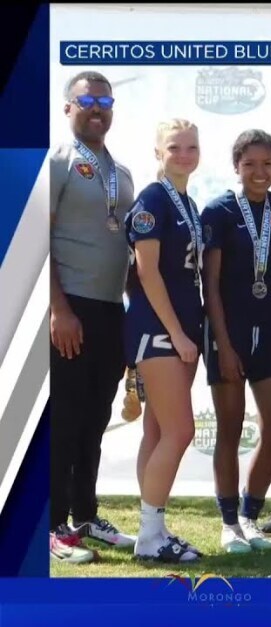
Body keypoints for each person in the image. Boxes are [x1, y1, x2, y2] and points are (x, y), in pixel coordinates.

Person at [49, 71, 137, 564]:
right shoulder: (58, 161)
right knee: (63, 421)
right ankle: (52, 524)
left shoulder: (121, 172)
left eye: (105, 101)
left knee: (93, 420)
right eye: (87, 101)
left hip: (109, 311)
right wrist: (58, 308)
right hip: (70, 308)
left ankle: (85, 515)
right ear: (68, 108)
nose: (97, 109)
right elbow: (34, 242)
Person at [199, 129, 271, 553]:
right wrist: (224, 344)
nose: (260, 172)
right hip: (229, 333)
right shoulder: (219, 210)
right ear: (236, 166)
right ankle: (228, 522)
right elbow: (210, 285)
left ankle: (251, 516)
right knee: (231, 428)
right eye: (250, 163)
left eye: (268, 163)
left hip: (269, 332)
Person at [125, 119, 205, 562]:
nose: (184, 154)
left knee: (157, 432)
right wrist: (175, 333)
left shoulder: (187, 203)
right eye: (174, 147)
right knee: (180, 430)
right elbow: (146, 272)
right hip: (158, 330)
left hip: (181, 329)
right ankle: (150, 536)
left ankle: (152, 529)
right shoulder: (153, 199)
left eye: (191, 147)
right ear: (158, 152)